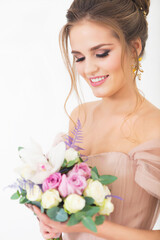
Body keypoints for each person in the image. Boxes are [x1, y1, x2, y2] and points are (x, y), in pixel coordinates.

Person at [32, 0, 160, 239]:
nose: (88, 69)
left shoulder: (155, 127)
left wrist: (92, 226)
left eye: (101, 53)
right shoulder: (81, 116)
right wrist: (53, 224)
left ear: (134, 48)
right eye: (79, 58)